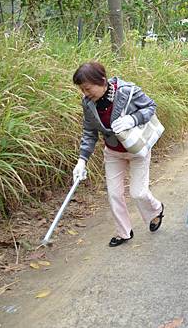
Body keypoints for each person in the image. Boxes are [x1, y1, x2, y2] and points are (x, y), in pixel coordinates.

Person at [72, 61, 164, 247]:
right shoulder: (88, 103)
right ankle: (124, 232)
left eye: (88, 88)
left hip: (137, 149)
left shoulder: (127, 91)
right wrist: (82, 160)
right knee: (114, 194)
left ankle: (156, 209)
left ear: (102, 81)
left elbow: (150, 107)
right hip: (113, 152)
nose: (85, 94)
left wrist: (133, 118)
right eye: (82, 90)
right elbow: (89, 132)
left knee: (138, 193)